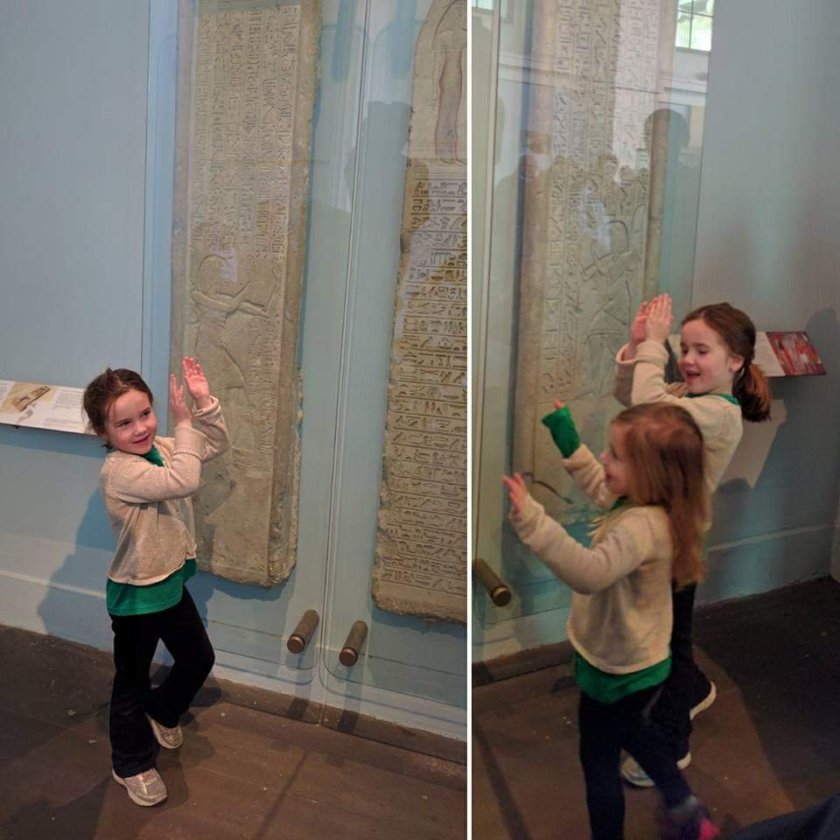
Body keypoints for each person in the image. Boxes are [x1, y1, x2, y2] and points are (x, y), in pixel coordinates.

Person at [504, 402, 719, 839]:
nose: (604, 458)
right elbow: (599, 485)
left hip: (616, 669)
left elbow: (589, 573)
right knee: (635, 731)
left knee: (598, 760)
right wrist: (566, 435)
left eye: (616, 456)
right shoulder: (652, 505)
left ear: (651, 474)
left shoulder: (640, 527)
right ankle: (685, 807)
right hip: (644, 664)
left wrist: (533, 521)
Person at [612, 294, 772, 787]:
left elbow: (648, 409)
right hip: (655, 539)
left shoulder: (718, 415)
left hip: (676, 548)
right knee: (664, 634)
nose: (687, 359)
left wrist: (654, 346)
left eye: (702, 351)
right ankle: (695, 687)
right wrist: (638, 345)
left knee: (667, 645)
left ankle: (670, 740)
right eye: (684, 348)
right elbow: (630, 397)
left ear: (736, 361)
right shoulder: (687, 397)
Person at [82, 357, 229, 807]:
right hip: (137, 597)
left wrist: (203, 404)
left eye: (145, 414)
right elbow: (183, 480)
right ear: (104, 432)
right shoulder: (120, 471)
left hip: (168, 583)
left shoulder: (160, 447)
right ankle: (130, 764)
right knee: (131, 683)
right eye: (124, 423)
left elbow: (213, 445)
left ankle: (162, 710)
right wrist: (184, 424)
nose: (140, 428)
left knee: (198, 658)